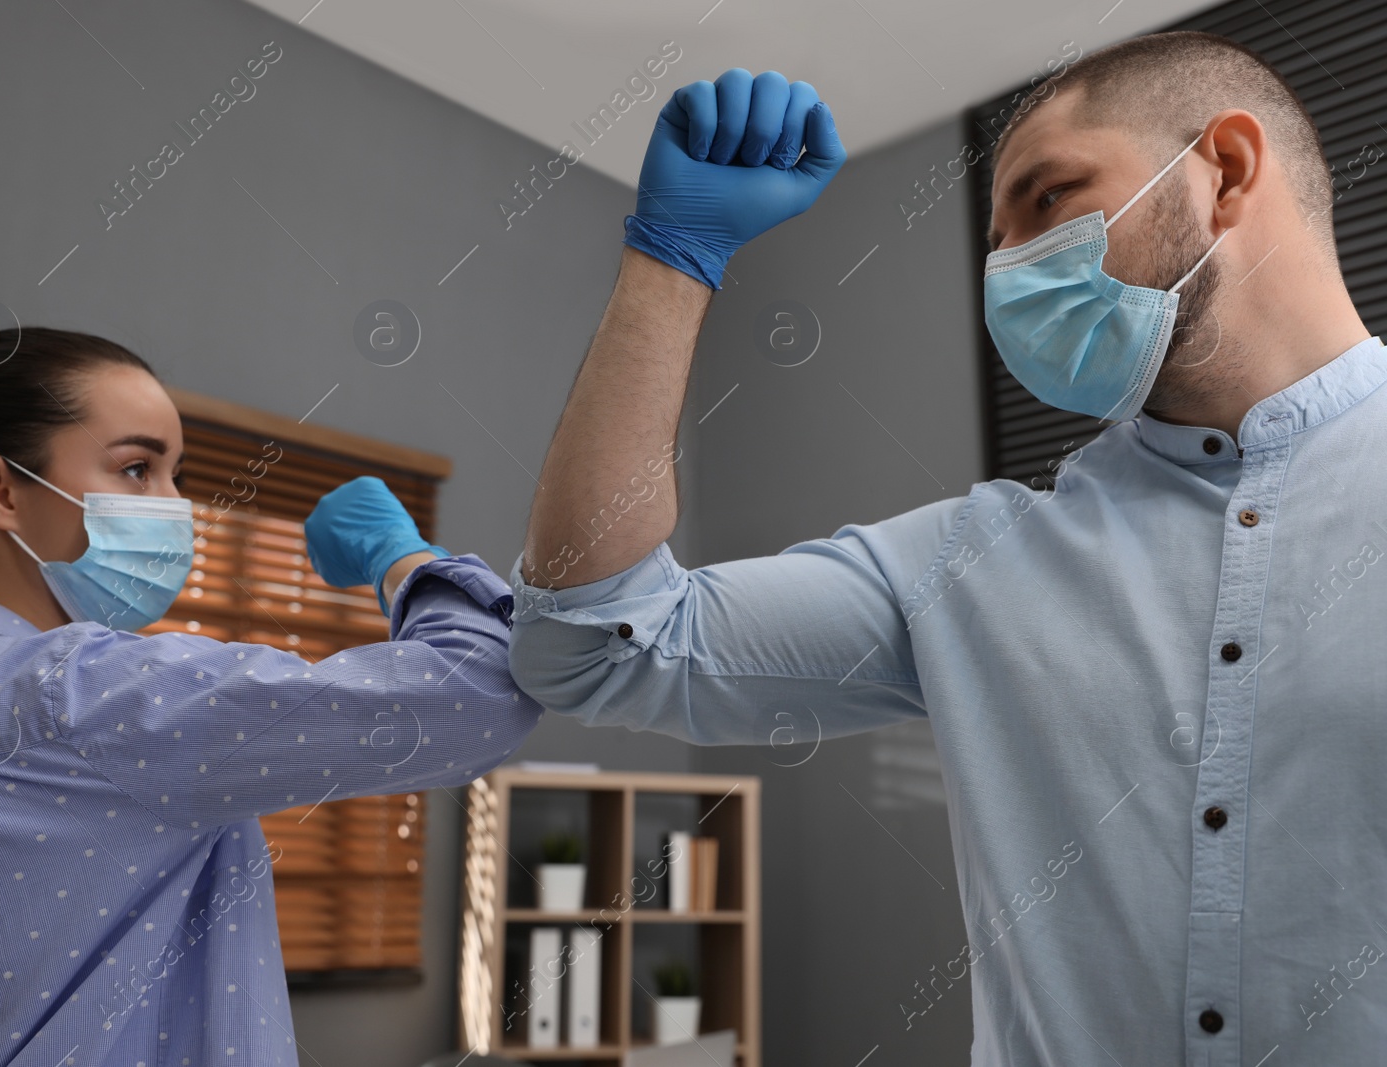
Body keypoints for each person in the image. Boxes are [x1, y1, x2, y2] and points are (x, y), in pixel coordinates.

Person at [507, 33, 1387, 1064]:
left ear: (1225, 170)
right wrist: (673, 256)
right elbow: (595, 640)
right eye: (995, 239)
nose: (1007, 267)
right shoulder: (973, 564)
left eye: (1047, 197)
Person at [0, 327, 541, 1064]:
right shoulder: (82, 695)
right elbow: (477, 695)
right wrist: (401, 559)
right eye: (138, 469)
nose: (175, 507)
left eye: (178, 475)